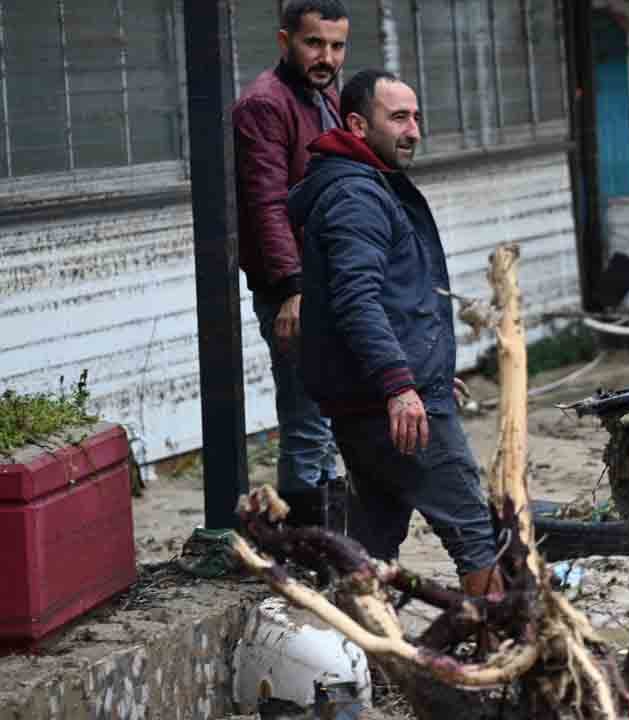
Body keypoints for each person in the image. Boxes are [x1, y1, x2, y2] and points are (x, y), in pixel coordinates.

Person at [287, 69, 501, 596]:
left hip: (374, 403)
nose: (413, 131)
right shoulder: (356, 197)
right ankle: (501, 660)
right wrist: (402, 386)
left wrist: (423, 372)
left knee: (371, 548)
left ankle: (361, 665)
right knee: (475, 534)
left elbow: (396, 300)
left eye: (417, 118)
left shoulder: (363, 185)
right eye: (399, 117)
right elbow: (356, 301)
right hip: (392, 408)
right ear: (358, 124)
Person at [232, 0, 349, 527]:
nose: (326, 56)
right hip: (296, 288)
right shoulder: (264, 104)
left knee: (330, 422)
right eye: (314, 43)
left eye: (337, 45)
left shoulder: (327, 96)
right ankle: (305, 555)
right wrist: (292, 288)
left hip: (333, 281)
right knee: (307, 425)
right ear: (285, 42)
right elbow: (266, 203)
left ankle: (333, 550)